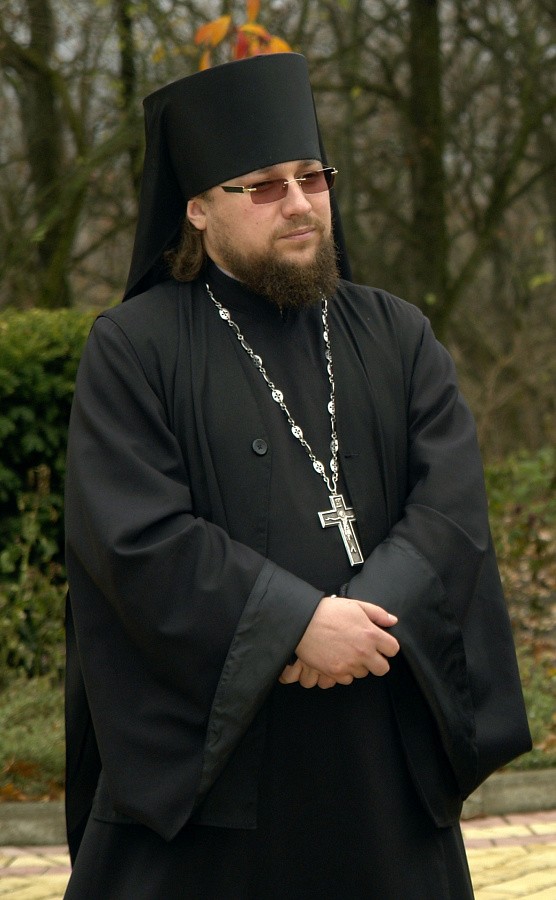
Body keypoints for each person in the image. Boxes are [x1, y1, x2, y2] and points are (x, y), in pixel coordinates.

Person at [63, 53, 531, 899]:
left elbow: (451, 509)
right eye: (265, 186)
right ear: (198, 207)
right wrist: (293, 624)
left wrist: (363, 620)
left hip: (379, 764)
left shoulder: (399, 335)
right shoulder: (133, 349)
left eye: (312, 178)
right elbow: (136, 539)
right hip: (211, 796)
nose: (299, 202)